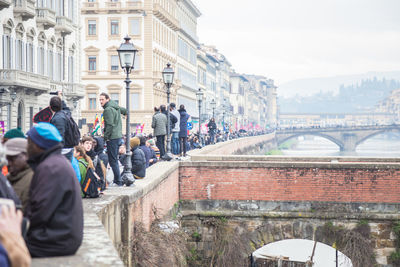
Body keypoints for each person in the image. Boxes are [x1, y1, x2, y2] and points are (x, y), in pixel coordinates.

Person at [25, 122, 83, 257]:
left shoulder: (51, 168)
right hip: (61, 237)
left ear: (38, 145)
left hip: (53, 240)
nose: (26, 147)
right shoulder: (56, 162)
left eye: (29, 142)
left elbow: (40, 210)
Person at [100, 92, 127, 186]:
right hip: (118, 136)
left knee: (113, 160)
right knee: (114, 159)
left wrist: (105, 137)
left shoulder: (107, 109)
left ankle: (118, 181)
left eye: (102, 99)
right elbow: (126, 110)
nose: (100, 101)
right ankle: (118, 180)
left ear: (108, 99)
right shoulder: (115, 107)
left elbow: (110, 125)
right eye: (99, 100)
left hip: (112, 137)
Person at [4, 138, 33, 212]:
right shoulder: (8, 178)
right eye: (6, 159)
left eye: (12, 158)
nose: (8, 163)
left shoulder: (33, 179)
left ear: (27, 156)